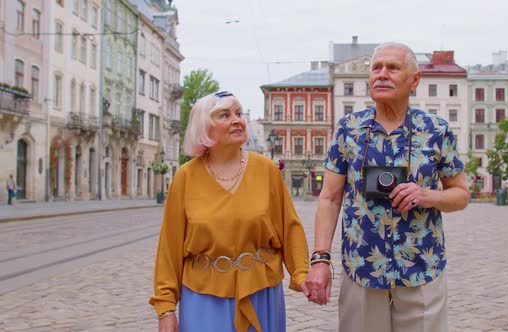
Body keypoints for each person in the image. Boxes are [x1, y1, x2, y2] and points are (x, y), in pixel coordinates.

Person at [304, 42, 470, 331]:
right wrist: (320, 260)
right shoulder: (349, 129)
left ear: (414, 80)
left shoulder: (436, 130)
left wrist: (426, 195)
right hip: (362, 269)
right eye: (376, 68)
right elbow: (329, 199)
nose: (381, 74)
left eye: (393, 68)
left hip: (421, 267)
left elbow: (461, 195)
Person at [150, 91, 310, 332]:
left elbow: (290, 228)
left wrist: (302, 274)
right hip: (203, 296)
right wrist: (166, 308)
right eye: (224, 115)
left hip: (260, 292)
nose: (237, 119)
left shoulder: (265, 170)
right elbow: (169, 247)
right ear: (204, 127)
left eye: (238, 113)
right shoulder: (186, 176)